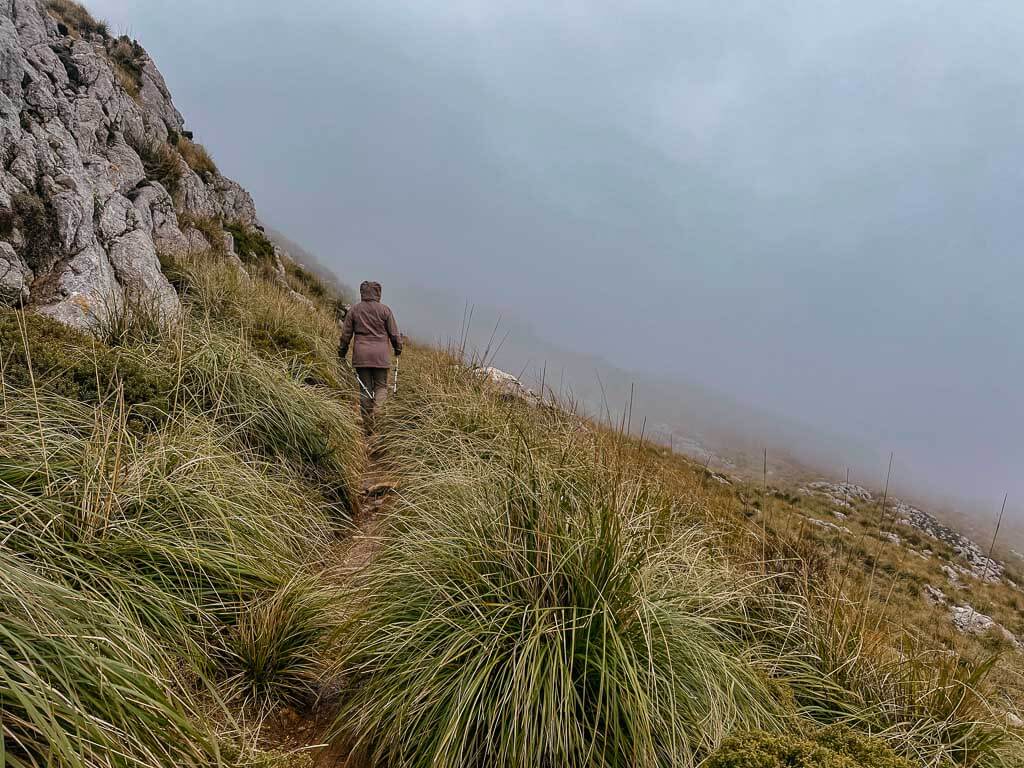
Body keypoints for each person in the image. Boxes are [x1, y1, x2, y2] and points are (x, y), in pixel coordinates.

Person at [338, 281, 402, 435]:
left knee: (365, 389)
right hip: (381, 356)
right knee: (381, 387)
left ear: (362, 292)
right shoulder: (385, 310)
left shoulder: (355, 310)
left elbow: (346, 334)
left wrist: (342, 351)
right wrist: (398, 348)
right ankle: (379, 415)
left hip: (362, 356)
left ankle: (368, 428)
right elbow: (394, 333)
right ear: (378, 293)